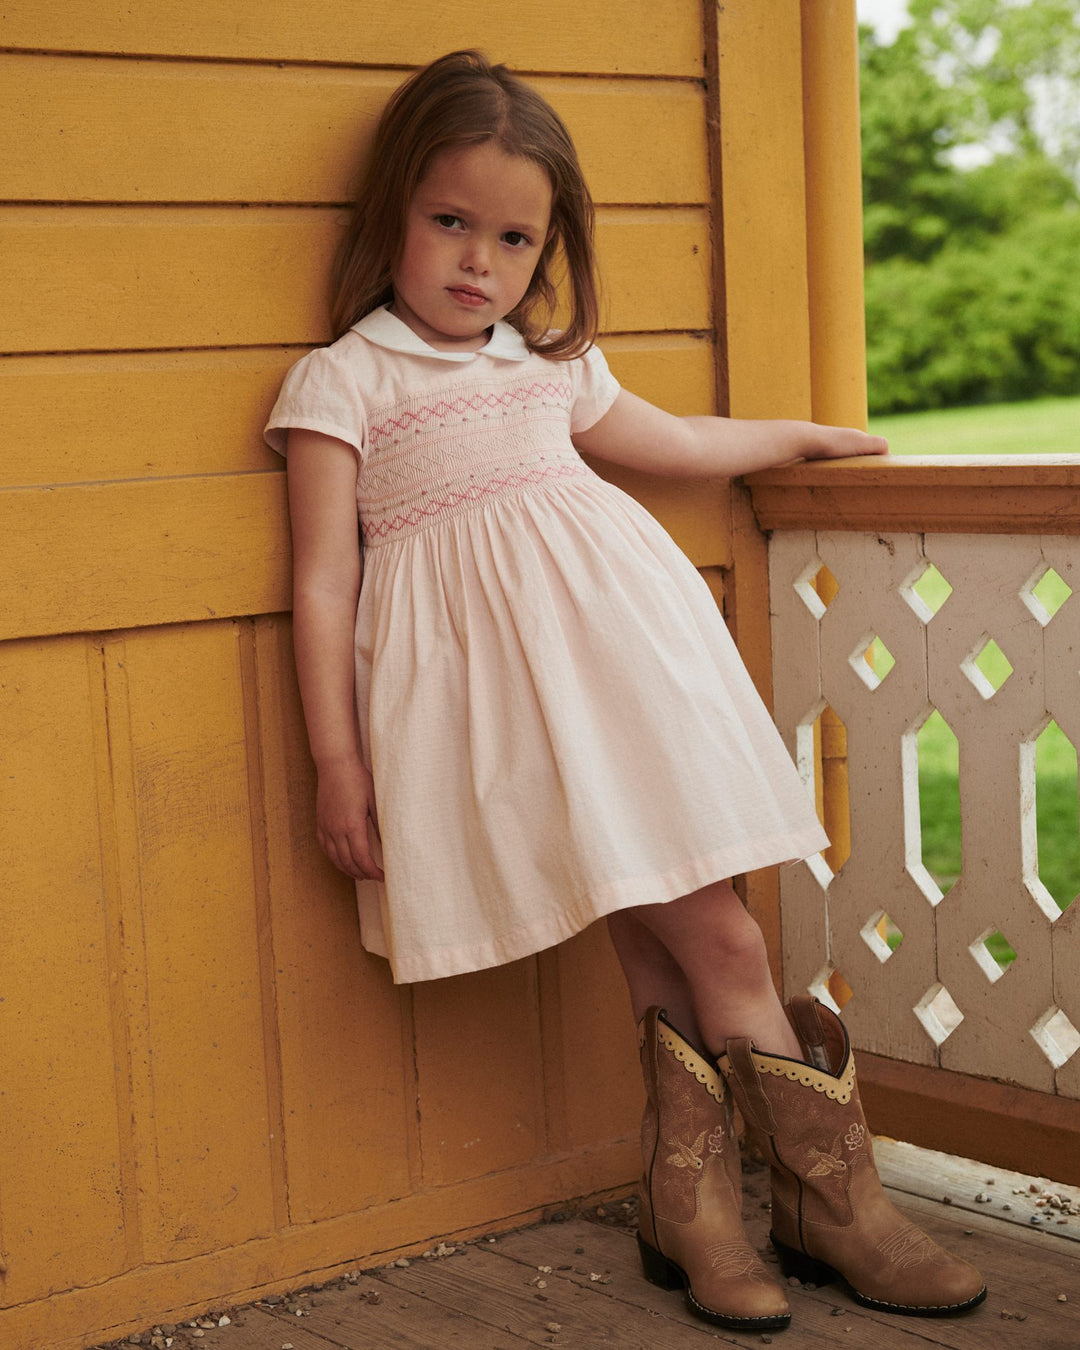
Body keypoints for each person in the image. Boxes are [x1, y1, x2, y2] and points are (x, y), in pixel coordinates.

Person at [265, 50, 985, 1331]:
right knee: (670, 942)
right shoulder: (346, 382)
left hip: (630, 685)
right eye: (450, 222)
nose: (480, 260)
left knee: (706, 935)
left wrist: (802, 437)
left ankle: (765, 1205)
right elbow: (324, 584)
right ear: (393, 214)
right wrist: (339, 763)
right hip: (515, 722)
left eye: (514, 237)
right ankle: (758, 1207)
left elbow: (677, 445)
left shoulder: (548, 364)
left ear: (547, 252)